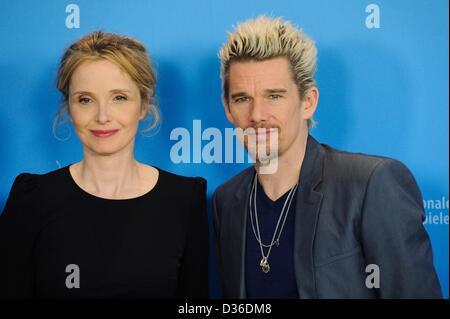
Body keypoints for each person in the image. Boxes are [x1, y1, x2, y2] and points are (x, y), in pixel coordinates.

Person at [213, 16, 442, 299]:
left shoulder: (370, 184)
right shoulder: (227, 200)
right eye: (242, 98)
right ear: (227, 107)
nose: (257, 114)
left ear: (308, 102)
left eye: (274, 96)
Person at [0, 31, 208, 298]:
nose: (102, 116)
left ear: (143, 105)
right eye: (85, 100)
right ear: (68, 107)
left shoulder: (185, 200)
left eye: (119, 97)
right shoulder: (31, 199)